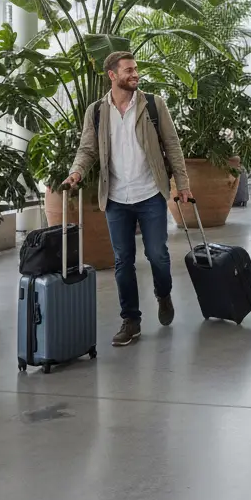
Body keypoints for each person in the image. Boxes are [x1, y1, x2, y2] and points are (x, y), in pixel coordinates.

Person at [64, 51, 190, 348]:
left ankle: (163, 293)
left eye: (136, 69)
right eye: (129, 70)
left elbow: (172, 146)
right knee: (123, 261)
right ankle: (131, 319)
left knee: (157, 254)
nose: (135, 74)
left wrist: (181, 185)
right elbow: (87, 149)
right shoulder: (96, 111)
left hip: (150, 194)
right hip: (117, 197)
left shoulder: (153, 105)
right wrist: (76, 173)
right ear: (112, 75)